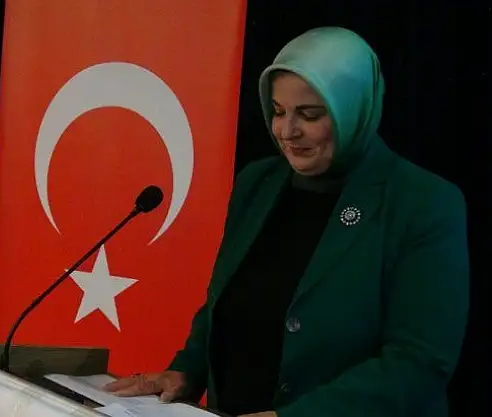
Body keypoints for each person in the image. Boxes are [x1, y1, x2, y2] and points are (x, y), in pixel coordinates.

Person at [103, 26, 469, 417]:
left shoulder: (422, 202)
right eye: (278, 111)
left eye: (310, 114)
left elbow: (419, 363)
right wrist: (185, 372)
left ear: (355, 108)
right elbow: (224, 304)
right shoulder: (258, 182)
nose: (287, 131)